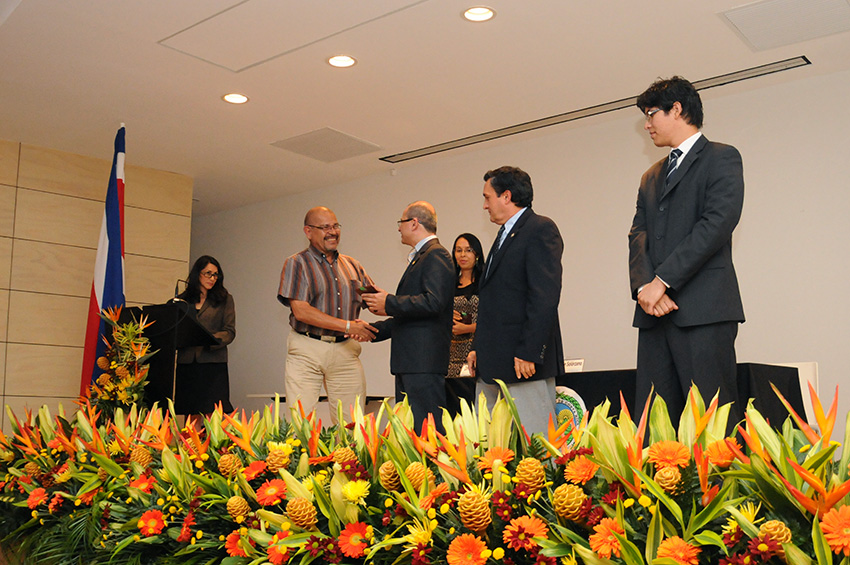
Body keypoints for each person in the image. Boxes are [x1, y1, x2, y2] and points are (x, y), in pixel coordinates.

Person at [629, 76, 745, 427]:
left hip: (704, 313)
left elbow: (716, 225)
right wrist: (644, 288)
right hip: (653, 315)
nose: (647, 125)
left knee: (712, 424)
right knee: (654, 425)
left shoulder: (722, 158)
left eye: (651, 115)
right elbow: (638, 235)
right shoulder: (651, 175)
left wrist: (662, 281)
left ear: (676, 109)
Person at [467, 166, 564, 436]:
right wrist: (477, 346)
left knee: (537, 445)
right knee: (488, 448)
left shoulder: (540, 229)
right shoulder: (502, 235)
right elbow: (493, 300)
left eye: (488, 197)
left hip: (522, 362)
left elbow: (544, 296)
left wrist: (529, 351)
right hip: (491, 362)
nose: (484, 205)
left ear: (506, 196)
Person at [278, 206, 378, 425]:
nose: (332, 232)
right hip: (306, 349)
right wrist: (349, 327)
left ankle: (349, 460)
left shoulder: (353, 265)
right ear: (308, 231)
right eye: (325, 227)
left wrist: (417, 305)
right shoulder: (297, 263)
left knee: (353, 425)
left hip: (345, 350)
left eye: (335, 226)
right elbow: (301, 311)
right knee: (300, 424)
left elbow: (376, 301)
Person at [362, 201, 455, 432]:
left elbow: (433, 302)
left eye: (401, 223)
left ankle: (431, 470)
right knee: (411, 432)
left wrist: (389, 302)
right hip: (412, 362)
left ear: (414, 223)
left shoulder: (436, 255)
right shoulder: (422, 256)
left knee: (427, 432)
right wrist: (373, 330)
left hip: (423, 362)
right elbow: (413, 317)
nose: (398, 228)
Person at [175, 255, 235, 418]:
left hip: (213, 362)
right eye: (208, 273)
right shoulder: (182, 300)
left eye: (216, 275)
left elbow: (229, 331)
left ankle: (211, 444)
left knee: (212, 414)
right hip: (188, 363)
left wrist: (208, 338)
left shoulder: (224, 299)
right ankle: (191, 444)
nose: (212, 278)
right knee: (191, 413)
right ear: (197, 274)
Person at [446, 232, 483, 416]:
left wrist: (468, 328)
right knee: (453, 412)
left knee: (475, 410)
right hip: (449, 357)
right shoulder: (447, 284)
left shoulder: (485, 283)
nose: (462, 255)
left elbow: (493, 320)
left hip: (476, 353)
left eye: (468, 250)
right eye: (458, 250)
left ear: (476, 254)